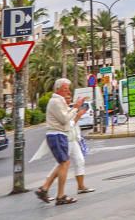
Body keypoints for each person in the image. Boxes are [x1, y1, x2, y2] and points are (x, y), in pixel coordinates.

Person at [35, 78, 87, 206]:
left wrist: (75, 109)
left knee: (63, 163)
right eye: (65, 89)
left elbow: (67, 118)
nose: (67, 92)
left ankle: (45, 188)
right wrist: (75, 108)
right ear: (58, 89)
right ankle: (60, 195)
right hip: (57, 134)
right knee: (64, 163)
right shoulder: (56, 102)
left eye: (68, 89)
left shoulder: (59, 101)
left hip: (59, 135)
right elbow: (65, 119)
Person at [68, 101, 94, 195]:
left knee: (80, 161)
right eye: (66, 93)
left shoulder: (70, 109)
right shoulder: (62, 108)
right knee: (60, 166)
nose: (69, 96)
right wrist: (78, 115)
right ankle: (45, 187)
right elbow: (69, 124)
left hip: (73, 139)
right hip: (66, 139)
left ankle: (81, 186)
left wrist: (79, 137)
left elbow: (75, 126)